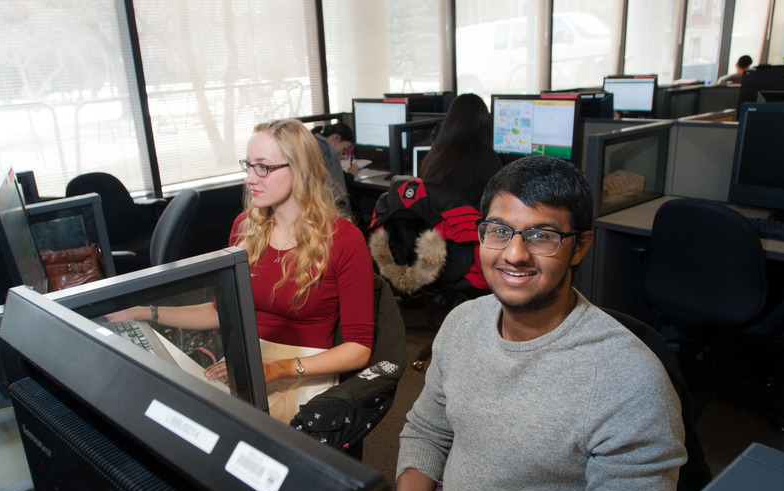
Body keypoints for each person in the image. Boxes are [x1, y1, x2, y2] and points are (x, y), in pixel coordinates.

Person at [395, 156, 686, 491]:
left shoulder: (627, 382)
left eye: (542, 235)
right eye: (499, 230)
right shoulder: (461, 323)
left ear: (580, 246)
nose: (514, 253)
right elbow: (428, 432)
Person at [108, 119, 374, 423]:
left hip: (303, 370)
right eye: (248, 165)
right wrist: (145, 313)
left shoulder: (344, 239)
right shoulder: (246, 229)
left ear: (300, 169)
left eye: (262, 167)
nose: (250, 178)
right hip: (248, 362)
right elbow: (220, 312)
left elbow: (358, 350)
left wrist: (280, 368)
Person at [417, 93, 502, 209]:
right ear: (484, 122)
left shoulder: (435, 154)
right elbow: (502, 196)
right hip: (465, 224)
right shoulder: (484, 156)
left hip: (438, 223)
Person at [311, 122, 361, 220]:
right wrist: (351, 173)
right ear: (336, 137)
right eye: (344, 148)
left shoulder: (313, 141)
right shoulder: (326, 150)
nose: (342, 153)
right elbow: (336, 185)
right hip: (330, 210)